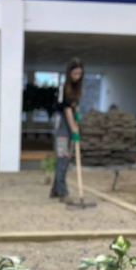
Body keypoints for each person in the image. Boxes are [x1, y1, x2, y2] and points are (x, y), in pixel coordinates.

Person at [50, 58, 84, 201]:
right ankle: (63, 193)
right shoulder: (64, 88)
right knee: (62, 157)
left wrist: (77, 113)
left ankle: (56, 191)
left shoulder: (76, 88)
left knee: (65, 158)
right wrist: (74, 130)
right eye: (75, 74)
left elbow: (73, 108)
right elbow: (67, 111)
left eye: (79, 74)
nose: (77, 77)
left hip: (69, 124)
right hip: (62, 126)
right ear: (69, 73)